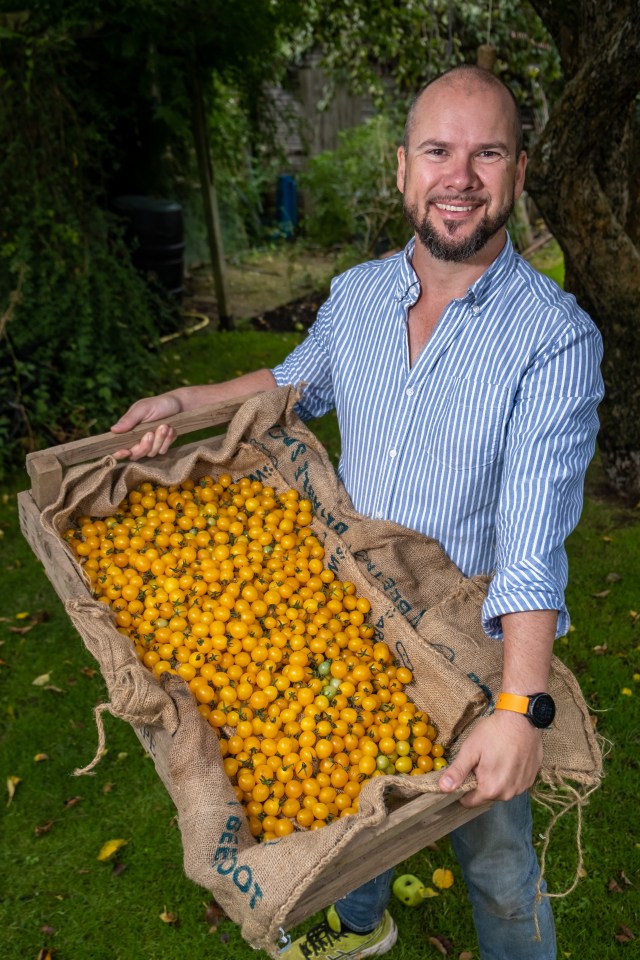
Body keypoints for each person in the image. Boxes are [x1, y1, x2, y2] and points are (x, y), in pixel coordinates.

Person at [111, 65, 604, 960]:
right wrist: (186, 401)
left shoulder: (553, 338)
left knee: (495, 860)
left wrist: (519, 704)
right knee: (355, 803)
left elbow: (535, 540)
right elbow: (294, 381)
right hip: (343, 610)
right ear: (402, 169)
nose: (459, 176)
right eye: (438, 151)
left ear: (519, 173)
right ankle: (360, 925)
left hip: (463, 645)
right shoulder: (360, 294)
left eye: (486, 152)